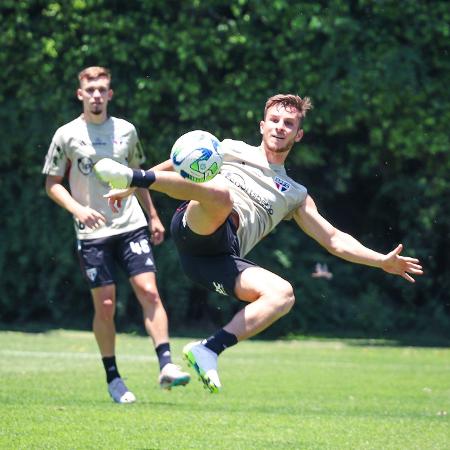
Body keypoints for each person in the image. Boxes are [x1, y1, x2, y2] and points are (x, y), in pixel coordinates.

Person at [94, 93, 423, 393]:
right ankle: (131, 175)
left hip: (215, 261)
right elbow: (182, 161)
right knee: (221, 197)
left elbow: (334, 239)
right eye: (275, 121)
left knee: (283, 295)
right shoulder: (230, 148)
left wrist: (380, 260)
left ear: (298, 135)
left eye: (289, 124)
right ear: (263, 125)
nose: (281, 127)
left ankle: (208, 349)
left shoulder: (295, 194)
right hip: (193, 223)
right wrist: (135, 184)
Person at [42, 66, 190, 403]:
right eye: (90, 89)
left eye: (102, 89)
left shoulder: (126, 131)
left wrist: (153, 216)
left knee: (148, 290)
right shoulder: (65, 135)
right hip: (91, 232)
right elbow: (51, 184)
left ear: (110, 94)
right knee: (106, 305)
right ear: (80, 93)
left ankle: (166, 365)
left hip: (129, 224)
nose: (96, 95)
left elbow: (140, 176)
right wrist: (78, 210)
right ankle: (113, 378)